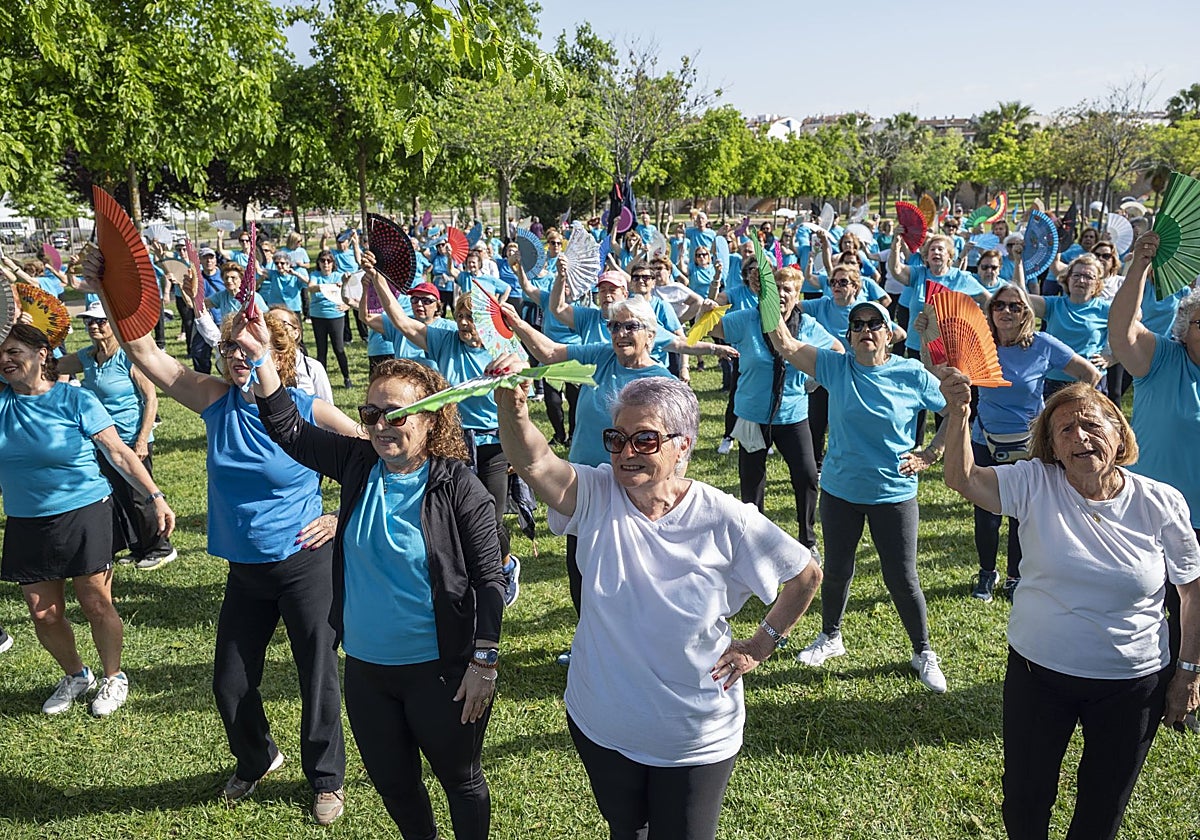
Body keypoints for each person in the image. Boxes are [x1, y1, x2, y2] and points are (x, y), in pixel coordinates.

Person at [81, 248, 355, 823]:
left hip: (306, 565)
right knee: (230, 684)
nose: (235, 356)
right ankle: (257, 759)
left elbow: (372, 462)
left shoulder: (310, 411)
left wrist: (339, 517)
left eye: (247, 346)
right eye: (229, 345)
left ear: (277, 355)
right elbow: (145, 351)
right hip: (246, 571)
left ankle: (327, 779)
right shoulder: (213, 400)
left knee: (318, 676)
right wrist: (105, 286)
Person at [493, 370, 822, 839]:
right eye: (617, 438)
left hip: (692, 737)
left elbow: (806, 575)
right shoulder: (598, 494)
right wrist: (514, 409)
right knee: (626, 830)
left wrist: (761, 644)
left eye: (645, 440)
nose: (626, 453)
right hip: (600, 724)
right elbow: (536, 464)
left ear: (682, 445)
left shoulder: (725, 518)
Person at [243, 321, 505, 839]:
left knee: (460, 778)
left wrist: (484, 660)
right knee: (395, 785)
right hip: (367, 669)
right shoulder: (359, 462)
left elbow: (489, 579)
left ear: (430, 418)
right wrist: (262, 360)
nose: (382, 424)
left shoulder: (458, 486)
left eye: (398, 414)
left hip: (443, 672)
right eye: (371, 413)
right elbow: (290, 430)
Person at [938, 375, 1200, 840]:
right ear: (1052, 448)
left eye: (1092, 425)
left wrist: (1188, 672)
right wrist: (960, 413)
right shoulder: (1034, 483)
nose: (1080, 436)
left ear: (1118, 434)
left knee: (1102, 811)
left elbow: (1192, 592)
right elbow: (963, 479)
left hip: (1133, 686)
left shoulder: (1162, 502)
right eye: (1065, 430)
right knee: (1024, 800)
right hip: (1039, 677)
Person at [767, 300, 950, 693]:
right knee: (836, 570)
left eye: (874, 323)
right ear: (849, 337)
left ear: (889, 334)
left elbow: (955, 409)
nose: (866, 329)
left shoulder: (911, 373)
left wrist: (931, 452)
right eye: (857, 325)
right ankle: (831, 637)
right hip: (840, 491)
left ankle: (923, 651)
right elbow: (783, 341)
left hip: (894, 492)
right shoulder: (836, 367)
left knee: (902, 577)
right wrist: (767, 294)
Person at [0, 323, 176, 717]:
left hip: (84, 510)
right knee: (43, 613)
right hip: (27, 518)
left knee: (95, 601)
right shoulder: (2, 403)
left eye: (14, 351)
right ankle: (77, 675)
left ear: (42, 354)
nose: (6, 360)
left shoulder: (73, 399)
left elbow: (118, 452)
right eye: (2, 353)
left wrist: (155, 496)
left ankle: (114, 676)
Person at [364, 254, 521, 607]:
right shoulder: (444, 341)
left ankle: (504, 565)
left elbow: (520, 390)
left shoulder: (504, 349)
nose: (466, 324)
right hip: (454, 441)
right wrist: (377, 280)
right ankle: (467, 576)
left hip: (495, 443)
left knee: (491, 516)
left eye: (474, 318)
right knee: (455, 511)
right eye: (462, 316)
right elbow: (401, 321)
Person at [941, 283, 1100, 603]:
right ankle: (986, 573)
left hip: (1028, 444)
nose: (1006, 312)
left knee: (1021, 514)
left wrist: (1066, 414)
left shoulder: (1041, 344)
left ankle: (1015, 576)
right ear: (991, 311)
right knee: (985, 512)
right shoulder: (979, 344)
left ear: (1027, 311)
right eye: (999, 305)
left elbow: (1090, 374)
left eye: (1015, 306)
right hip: (984, 439)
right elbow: (943, 373)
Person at [1109, 230, 1200, 734]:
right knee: (1148, 606)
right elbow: (1122, 330)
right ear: (1185, 327)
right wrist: (1139, 266)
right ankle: (1144, 686)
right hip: (1150, 515)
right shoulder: (1162, 360)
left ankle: (1189, 686)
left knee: (1196, 610)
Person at [707, 266, 842, 553]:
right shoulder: (747, 320)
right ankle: (754, 543)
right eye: (774, 289)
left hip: (793, 415)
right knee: (752, 483)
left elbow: (837, 350)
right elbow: (711, 327)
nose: (780, 294)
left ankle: (808, 539)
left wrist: (815, 380)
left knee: (806, 476)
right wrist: (711, 303)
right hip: (752, 415)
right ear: (762, 293)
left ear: (797, 295)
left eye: (787, 290)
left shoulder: (807, 326)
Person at [56, 302, 178, 570]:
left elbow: (150, 399)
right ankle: (138, 547)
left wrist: (143, 438)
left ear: (113, 325)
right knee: (119, 496)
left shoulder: (127, 357)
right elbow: (52, 365)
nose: (94, 326)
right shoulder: (87, 357)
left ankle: (161, 547)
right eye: (89, 321)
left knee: (139, 495)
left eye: (100, 321)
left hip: (132, 439)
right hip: (102, 440)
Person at [1026, 254, 1112, 397]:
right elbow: (1019, 298)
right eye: (1076, 275)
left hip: (1091, 381)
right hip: (1054, 381)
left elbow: (1132, 326)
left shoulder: (1106, 309)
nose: (1081, 280)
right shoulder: (1054, 305)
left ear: (1097, 284)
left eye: (1089, 277)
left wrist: (1111, 357)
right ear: (1067, 279)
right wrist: (1018, 262)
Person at [306, 249, 353, 388]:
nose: (326, 264)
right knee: (322, 351)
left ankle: (347, 378)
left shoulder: (339, 276)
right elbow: (311, 288)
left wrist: (347, 305)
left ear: (333, 263)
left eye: (329, 261)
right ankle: (322, 383)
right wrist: (328, 287)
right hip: (318, 316)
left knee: (339, 349)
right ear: (318, 263)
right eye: (322, 261)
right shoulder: (315, 275)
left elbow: (351, 293)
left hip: (336, 316)